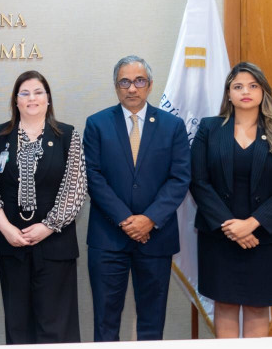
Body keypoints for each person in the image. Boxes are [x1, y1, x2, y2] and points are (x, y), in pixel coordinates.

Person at [189, 62, 272, 338]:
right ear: (228, 93)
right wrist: (231, 227)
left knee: (257, 306)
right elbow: (198, 181)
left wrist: (252, 224)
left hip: (265, 237)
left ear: (263, 92)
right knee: (225, 303)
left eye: (253, 86)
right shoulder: (209, 129)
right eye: (238, 86)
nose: (246, 92)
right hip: (219, 235)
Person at [84, 55, 190, 341]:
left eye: (139, 81)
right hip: (108, 238)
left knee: (152, 323)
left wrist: (149, 220)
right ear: (116, 86)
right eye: (125, 82)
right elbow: (93, 177)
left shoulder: (172, 126)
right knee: (105, 323)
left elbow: (179, 178)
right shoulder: (96, 124)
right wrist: (126, 220)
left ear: (150, 85)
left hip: (156, 238)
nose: (132, 88)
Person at [0, 70, 87, 344]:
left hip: (55, 246)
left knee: (56, 325)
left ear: (48, 99)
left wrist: (48, 227)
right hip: (12, 245)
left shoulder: (67, 135)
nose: (32, 98)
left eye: (38, 92)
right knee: (18, 325)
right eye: (24, 93)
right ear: (15, 100)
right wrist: (6, 228)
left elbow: (75, 188)